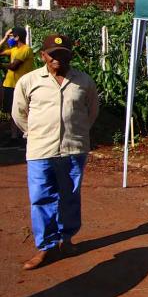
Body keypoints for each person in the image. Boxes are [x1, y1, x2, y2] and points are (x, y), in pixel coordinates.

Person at [13, 34, 98, 270]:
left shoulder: (84, 81)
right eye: (53, 54)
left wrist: (76, 132)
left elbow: (91, 112)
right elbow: (19, 114)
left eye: (63, 54)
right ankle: (45, 247)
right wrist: (37, 133)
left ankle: (66, 240)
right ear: (43, 55)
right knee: (41, 197)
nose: (57, 59)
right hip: (41, 149)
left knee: (70, 196)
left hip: (74, 148)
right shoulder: (29, 81)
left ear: (70, 56)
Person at [2, 27, 35, 142]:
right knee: (12, 112)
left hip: (20, 86)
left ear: (17, 37)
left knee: (23, 110)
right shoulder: (13, 49)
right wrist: (5, 37)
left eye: (11, 36)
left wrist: (2, 65)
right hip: (10, 85)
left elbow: (14, 66)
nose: (10, 38)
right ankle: (14, 136)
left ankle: (26, 134)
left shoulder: (26, 50)